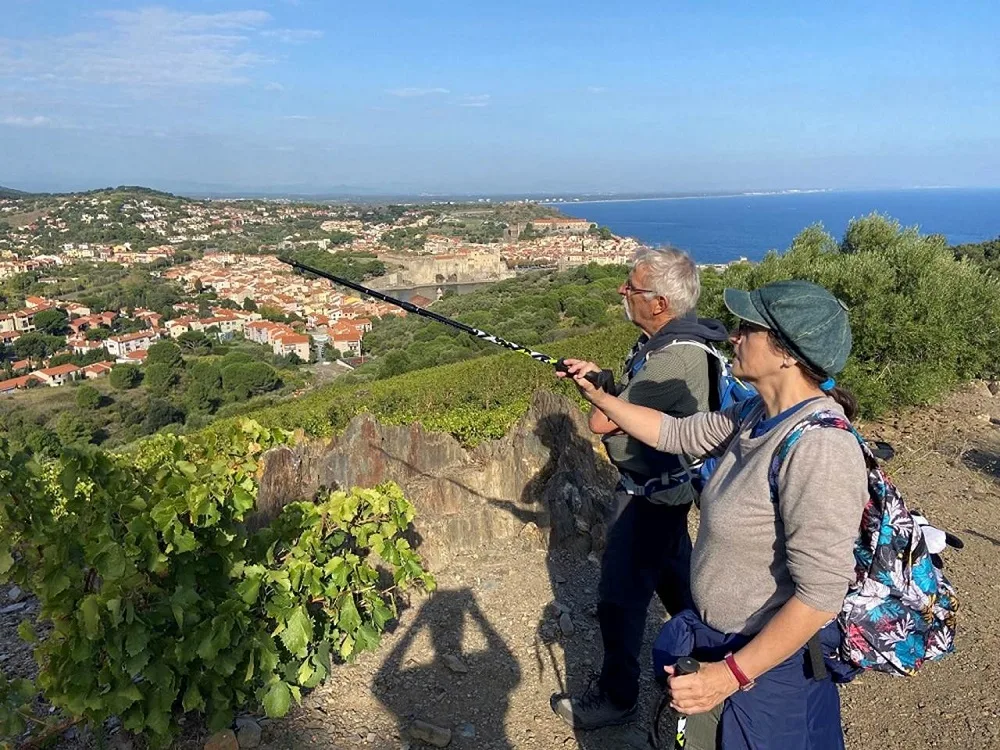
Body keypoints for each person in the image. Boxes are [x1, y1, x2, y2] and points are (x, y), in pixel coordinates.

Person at [558, 279, 868, 749]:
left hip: (768, 673)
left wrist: (728, 676)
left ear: (787, 353)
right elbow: (676, 433)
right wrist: (602, 398)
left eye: (748, 328)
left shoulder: (820, 447)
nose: (733, 337)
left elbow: (821, 595)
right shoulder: (753, 414)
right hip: (728, 648)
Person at [551, 248, 729, 730]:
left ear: (660, 303)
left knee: (618, 600)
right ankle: (713, 666)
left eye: (631, 287)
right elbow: (636, 405)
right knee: (681, 588)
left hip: (648, 498)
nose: (621, 292)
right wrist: (606, 382)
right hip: (669, 491)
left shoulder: (673, 360)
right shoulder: (677, 343)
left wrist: (597, 394)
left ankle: (617, 697)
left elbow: (600, 422)